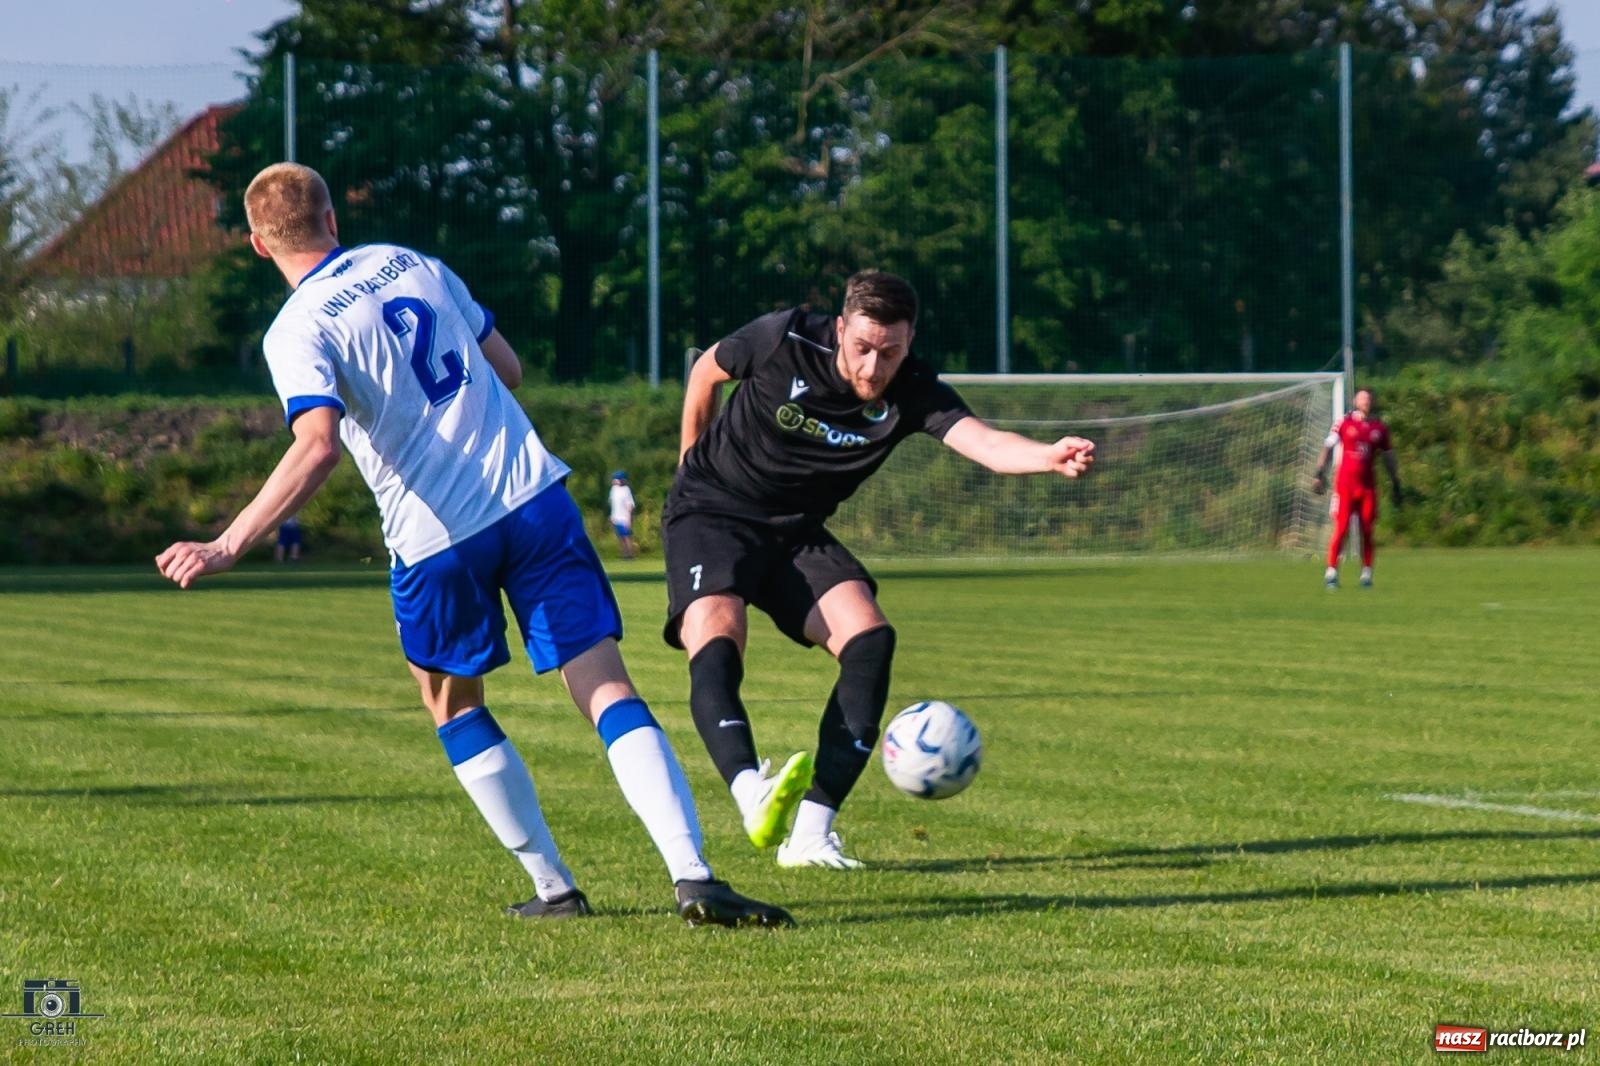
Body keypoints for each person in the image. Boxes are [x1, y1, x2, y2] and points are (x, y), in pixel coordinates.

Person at [155, 162, 791, 928]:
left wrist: (228, 542)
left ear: (258, 245)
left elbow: (317, 442)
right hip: (531, 497)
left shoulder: (296, 329)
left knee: (450, 702)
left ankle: (554, 887)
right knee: (606, 689)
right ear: (332, 218)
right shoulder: (414, 263)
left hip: (437, 537)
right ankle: (693, 877)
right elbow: (510, 370)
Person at [663, 270, 1095, 869]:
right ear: (840, 329)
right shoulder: (782, 338)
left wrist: (1047, 457)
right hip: (713, 509)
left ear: (909, 342)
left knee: (869, 638)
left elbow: (987, 444)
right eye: (862, 347)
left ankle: (812, 833)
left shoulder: (914, 388)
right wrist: (689, 460)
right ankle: (749, 790)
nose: (872, 367)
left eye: (889, 352)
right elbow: (707, 369)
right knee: (717, 630)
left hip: (795, 530)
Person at [1313, 387, 1403, 589]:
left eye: (1368, 399)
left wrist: (1395, 481)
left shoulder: (1378, 428)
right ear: (1355, 401)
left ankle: (1366, 574)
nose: (1365, 402)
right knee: (1342, 527)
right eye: (1362, 398)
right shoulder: (1344, 423)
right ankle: (1331, 572)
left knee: (1367, 530)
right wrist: (1319, 473)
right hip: (1344, 487)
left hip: (1367, 488)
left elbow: (1388, 456)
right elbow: (1328, 447)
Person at [608, 471, 637, 560]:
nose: (614, 481)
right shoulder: (613, 490)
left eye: (616, 479)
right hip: (616, 517)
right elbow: (612, 503)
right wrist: (611, 516)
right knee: (620, 537)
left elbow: (629, 505)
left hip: (624, 517)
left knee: (626, 536)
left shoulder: (626, 490)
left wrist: (629, 519)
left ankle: (630, 554)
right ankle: (624, 554)